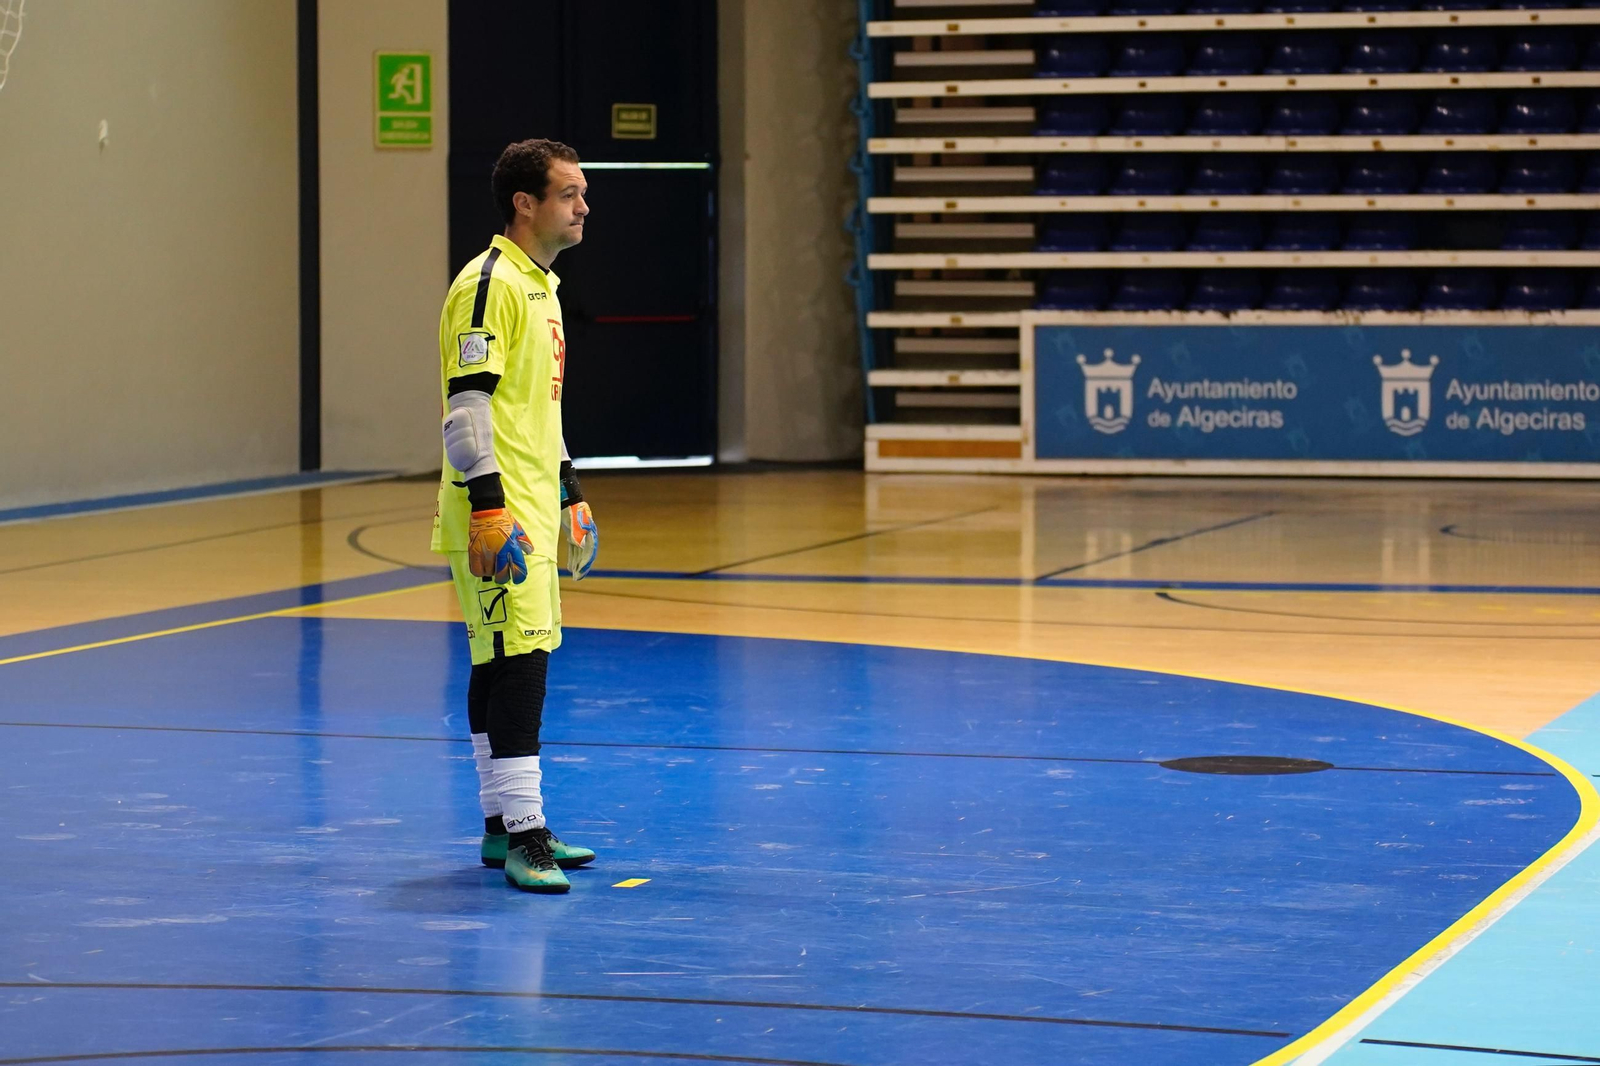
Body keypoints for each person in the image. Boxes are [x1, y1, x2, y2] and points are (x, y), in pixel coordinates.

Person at [431, 138, 600, 893]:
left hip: (530, 502)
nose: (583, 206)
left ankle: (503, 829)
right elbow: (467, 409)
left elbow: (539, 406)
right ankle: (526, 833)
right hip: (495, 508)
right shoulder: (488, 283)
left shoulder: (544, 286)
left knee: (501, 656)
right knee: (518, 662)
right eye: (569, 193)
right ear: (525, 204)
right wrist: (490, 510)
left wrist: (568, 490)